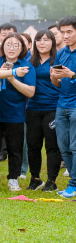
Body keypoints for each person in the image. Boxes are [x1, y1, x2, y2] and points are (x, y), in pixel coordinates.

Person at [0, 33, 35, 192]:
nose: (12, 48)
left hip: (15, 115)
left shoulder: (26, 66)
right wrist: (0, 73)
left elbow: (30, 92)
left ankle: (14, 179)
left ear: (22, 49)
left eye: (16, 45)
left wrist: (12, 78)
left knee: (15, 148)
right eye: (8, 45)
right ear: (2, 47)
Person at [26, 30, 61, 191]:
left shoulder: (58, 59)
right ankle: (35, 178)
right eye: (38, 40)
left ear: (52, 43)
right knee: (33, 145)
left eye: (46, 40)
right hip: (32, 108)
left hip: (52, 108)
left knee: (52, 146)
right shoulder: (30, 60)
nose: (42, 43)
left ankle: (51, 181)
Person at [51, 16, 76, 198]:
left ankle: (73, 184)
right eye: (63, 32)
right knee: (63, 146)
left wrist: (72, 74)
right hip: (62, 104)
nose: (65, 36)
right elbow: (57, 84)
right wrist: (55, 76)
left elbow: (71, 77)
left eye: (70, 32)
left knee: (75, 146)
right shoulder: (61, 53)